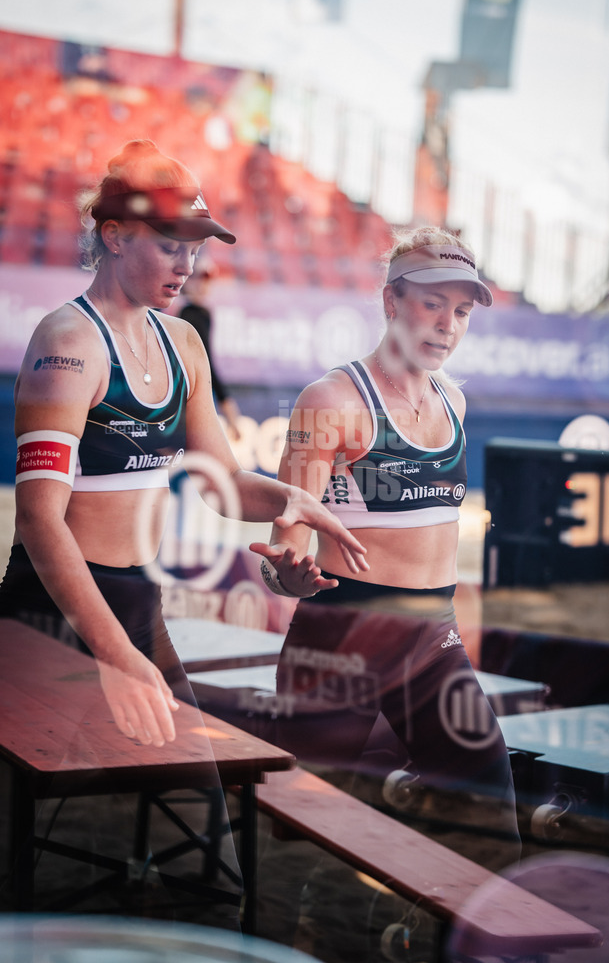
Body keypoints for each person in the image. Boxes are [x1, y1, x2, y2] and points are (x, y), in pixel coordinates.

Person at [0, 138, 368, 750]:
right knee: (42, 804)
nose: (187, 266)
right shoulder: (67, 343)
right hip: (50, 608)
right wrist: (116, 655)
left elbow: (222, 485)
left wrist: (293, 502)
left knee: (198, 792)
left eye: (194, 250)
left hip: (137, 603)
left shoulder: (182, 342)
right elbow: (39, 521)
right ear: (115, 236)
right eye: (171, 245)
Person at [252, 226, 519, 867]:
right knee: (299, 839)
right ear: (391, 300)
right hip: (339, 641)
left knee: (490, 814)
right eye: (433, 303)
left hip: (432, 639)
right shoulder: (331, 401)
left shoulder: (454, 401)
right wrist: (290, 575)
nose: (448, 325)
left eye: (462, 311)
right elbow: (282, 552)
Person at [178, 258, 241, 441]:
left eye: (206, 279)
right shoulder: (187, 313)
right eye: (197, 278)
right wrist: (226, 404)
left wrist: (225, 401)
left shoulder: (200, 313)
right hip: (180, 396)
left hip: (187, 395)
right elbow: (204, 364)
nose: (202, 284)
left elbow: (205, 362)